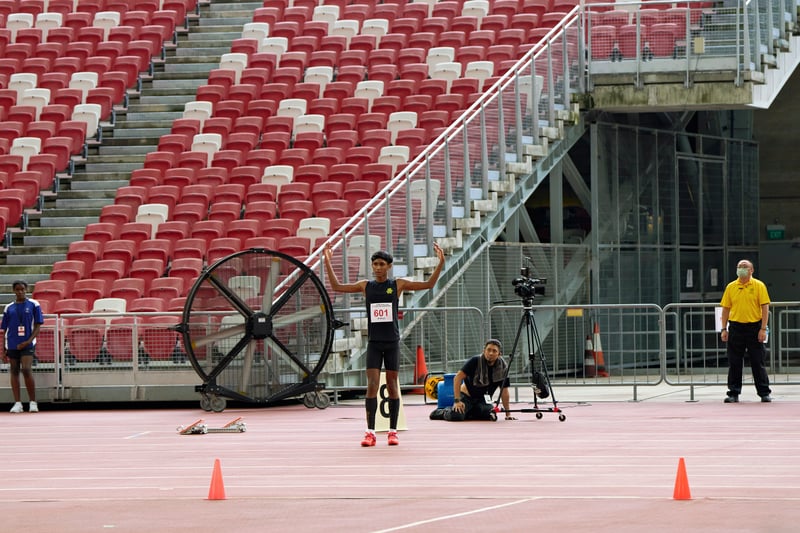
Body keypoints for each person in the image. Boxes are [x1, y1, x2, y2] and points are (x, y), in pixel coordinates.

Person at [323, 241, 444, 447]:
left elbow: (428, 285)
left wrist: (440, 262)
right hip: (374, 343)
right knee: (371, 385)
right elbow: (336, 287)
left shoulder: (397, 285)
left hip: (392, 342)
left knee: (392, 385)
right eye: (375, 264)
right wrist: (327, 262)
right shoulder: (365, 286)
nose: (378, 267)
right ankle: (370, 432)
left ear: (389, 266)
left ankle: (392, 431)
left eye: (381, 264)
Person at [719, 259, 772, 403]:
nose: (741, 269)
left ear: (751, 270)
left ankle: (764, 392)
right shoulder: (731, 287)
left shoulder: (759, 286)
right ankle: (733, 393)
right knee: (734, 361)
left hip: (754, 327)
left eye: (745, 267)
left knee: (757, 361)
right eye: (739, 267)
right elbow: (725, 309)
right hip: (736, 327)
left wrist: (763, 328)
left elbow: (765, 308)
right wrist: (724, 328)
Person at [430, 339, 517, 421]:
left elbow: (504, 391)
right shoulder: (475, 361)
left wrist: (508, 414)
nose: (491, 353)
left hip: (483, 400)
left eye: (494, 351)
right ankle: (443, 411)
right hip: (466, 397)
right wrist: (457, 401)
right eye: (488, 350)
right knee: (457, 416)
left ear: (499, 354)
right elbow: (457, 378)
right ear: (484, 351)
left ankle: (469, 412)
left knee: (489, 415)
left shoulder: (503, 367)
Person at [0, 280, 44, 413]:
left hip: (27, 343)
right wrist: (3, 349)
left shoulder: (34, 305)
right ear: (13, 291)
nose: (20, 292)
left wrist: (29, 340)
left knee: (26, 369)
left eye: (22, 289)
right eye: (18, 290)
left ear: (26, 290)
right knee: (14, 371)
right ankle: (18, 403)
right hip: (12, 343)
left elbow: (37, 326)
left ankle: (32, 402)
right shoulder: (9, 307)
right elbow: (4, 329)